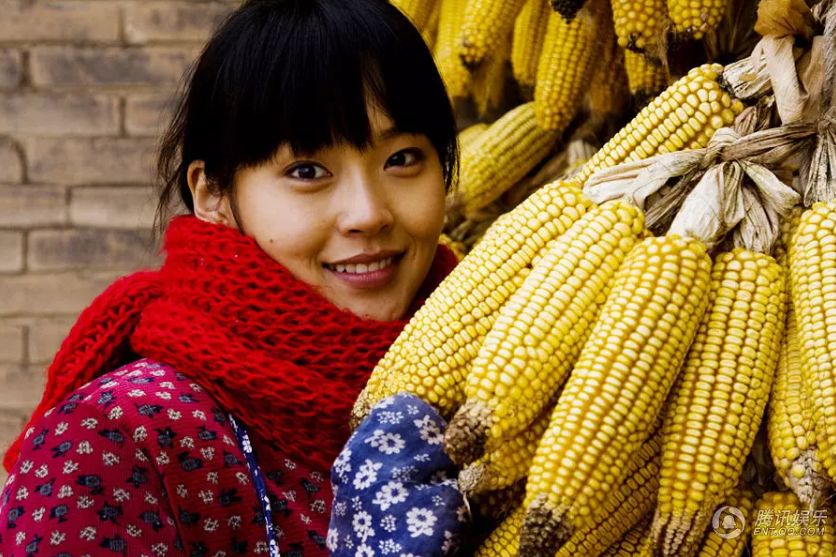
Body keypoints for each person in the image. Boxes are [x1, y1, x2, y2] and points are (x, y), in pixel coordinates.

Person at [0, 0, 468, 554]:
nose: (368, 213)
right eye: (307, 171)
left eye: (403, 159)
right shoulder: (121, 441)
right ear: (213, 194)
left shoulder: (496, 406)